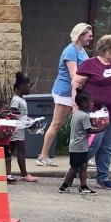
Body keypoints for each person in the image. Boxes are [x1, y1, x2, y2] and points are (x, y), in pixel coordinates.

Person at [74, 35, 111, 191]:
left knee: (108, 146)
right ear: (103, 49)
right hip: (95, 112)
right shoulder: (90, 64)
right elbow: (77, 83)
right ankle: (75, 167)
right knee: (94, 144)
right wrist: (76, 104)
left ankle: (103, 177)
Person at [37, 23, 94, 166]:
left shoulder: (82, 51)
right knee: (56, 124)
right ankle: (43, 156)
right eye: (89, 35)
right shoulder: (70, 51)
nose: (91, 38)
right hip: (65, 92)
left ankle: (85, 155)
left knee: (83, 124)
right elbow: (74, 74)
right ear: (81, 35)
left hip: (77, 92)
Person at [59, 90, 106, 194]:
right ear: (84, 103)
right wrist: (102, 128)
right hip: (79, 147)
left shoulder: (76, 113)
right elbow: (89, 130)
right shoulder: (84, 116)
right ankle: (65, 185)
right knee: (75, 167)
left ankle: (83, 186)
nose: (92, 103)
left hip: (77, 146)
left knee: (83, 166)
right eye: (90, 102)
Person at [4, 72, 37, 183]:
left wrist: (27, 121)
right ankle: (24, 174)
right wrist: (22, 122)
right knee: (21, 152)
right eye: (28, 85)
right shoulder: (16, 100)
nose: (29, 87)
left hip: (19, 129)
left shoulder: (21, 99)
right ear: (21, 86)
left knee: (8, 151)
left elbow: (20, 115)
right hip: (16, 130)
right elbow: (12, 113)